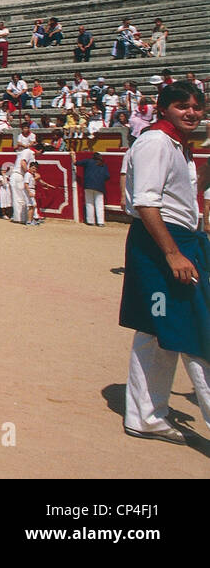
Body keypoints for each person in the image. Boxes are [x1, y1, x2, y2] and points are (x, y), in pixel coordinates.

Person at [118, 80, 210, 444]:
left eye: (197, 106)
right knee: (196, 331)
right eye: (182, 106)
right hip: (165, 244)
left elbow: (184, 194)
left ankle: (145, 415)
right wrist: (173, 253)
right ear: (163, 109)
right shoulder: (157, 141)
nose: (191, 112)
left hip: (171, 240)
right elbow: (146, 202)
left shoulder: (175, 144)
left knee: (156, 332)